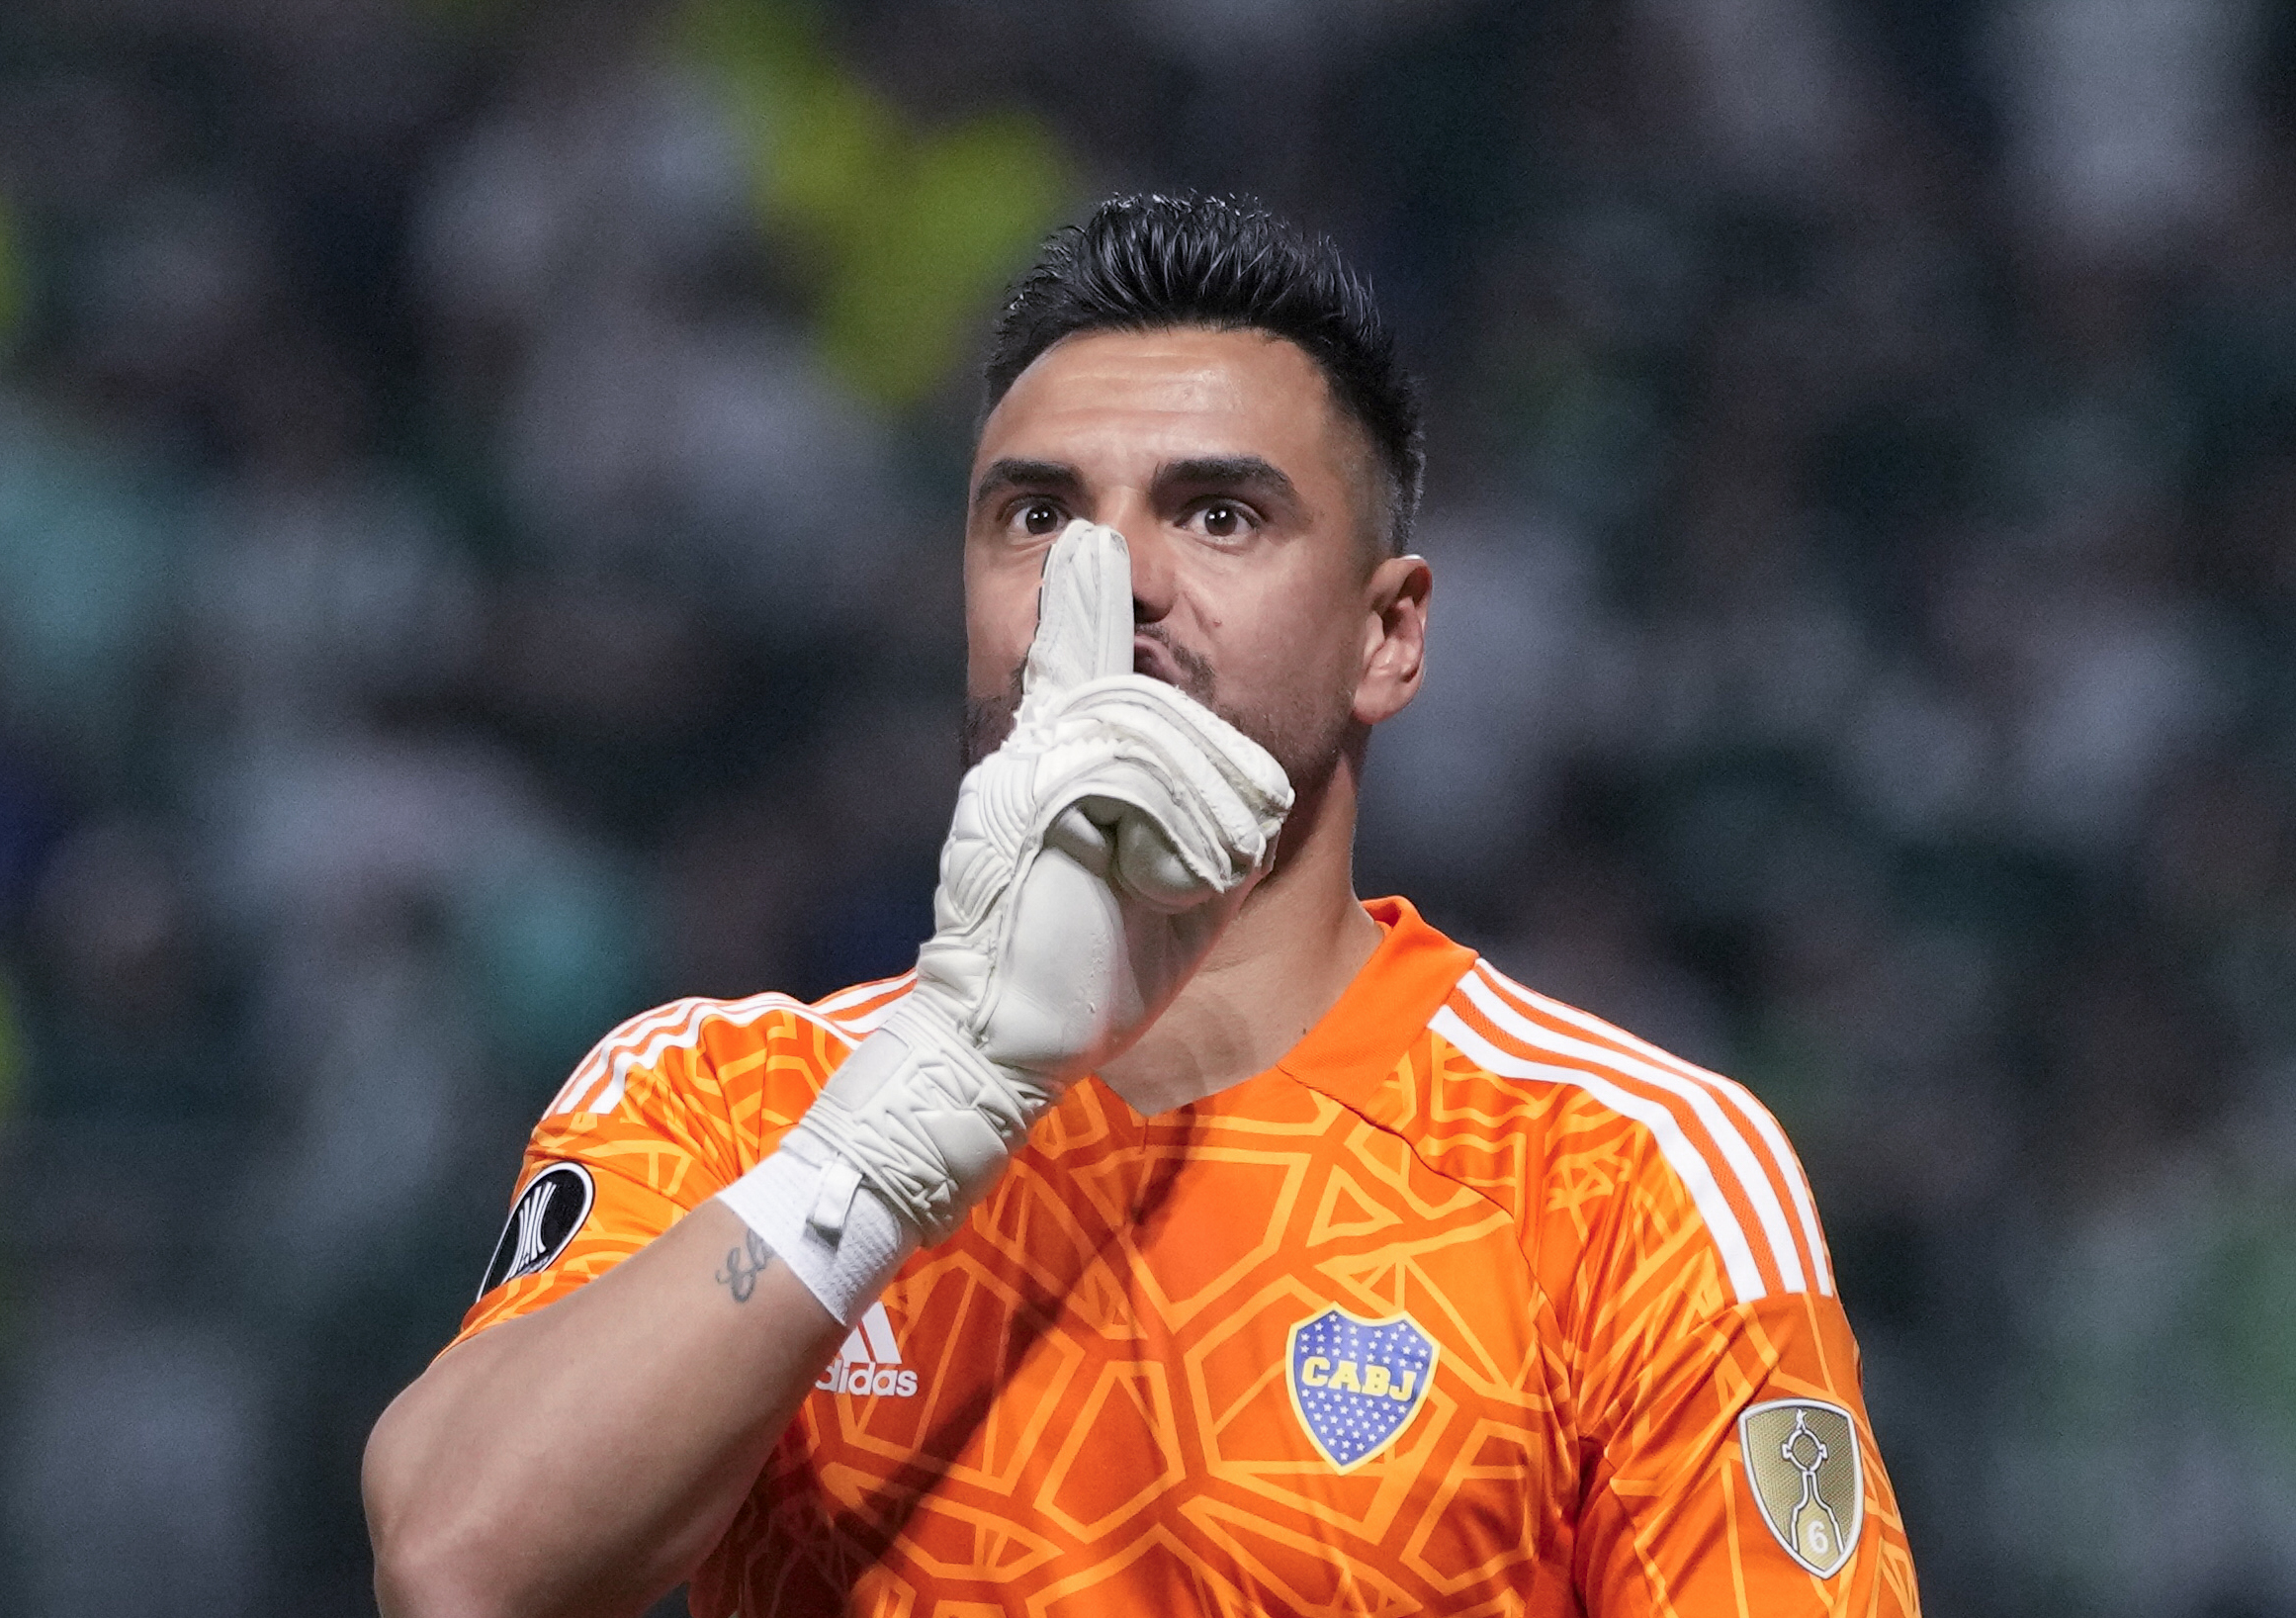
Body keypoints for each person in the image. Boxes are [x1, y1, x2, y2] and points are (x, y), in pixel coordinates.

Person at [364, 193, 1919, 1618]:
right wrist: (935, 1099)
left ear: (1391, 633)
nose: (1113, 586)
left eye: (1220, 515)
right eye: (1037, 517)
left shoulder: (1620, 1174)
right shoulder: (726, 1100)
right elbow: (459, 1566)